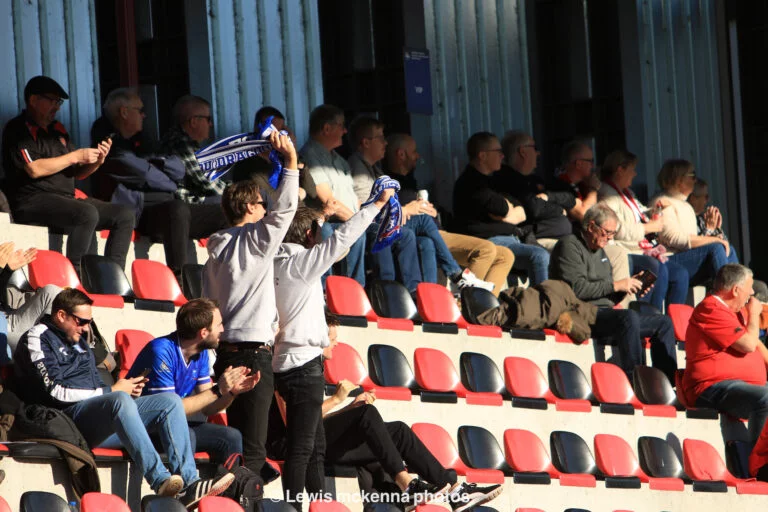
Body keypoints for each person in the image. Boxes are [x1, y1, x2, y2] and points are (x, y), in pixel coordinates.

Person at [13, 288, 234, 506]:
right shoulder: (37, 337)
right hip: (65, 419)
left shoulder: (80, 341)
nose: (87, 327)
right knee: (118, 399)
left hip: (95, 417)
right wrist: (111, 391)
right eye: (82, 321)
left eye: (90, 321)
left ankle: (189, 484)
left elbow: (95, 383)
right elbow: (54, 390)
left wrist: (125, 390)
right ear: (61, 316)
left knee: (170, 402)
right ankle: (159, 479)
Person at [267, 314, 503, 512]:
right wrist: (337, 400)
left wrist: (349, 407)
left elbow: (314, 420)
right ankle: (406, 483)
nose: (336, 344)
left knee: (397, 430)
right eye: (332, 339)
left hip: (315, 437)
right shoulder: (290, 365)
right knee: (367, 415)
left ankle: (453, 489)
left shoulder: (313, 365)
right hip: (292, 444)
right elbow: (295, 421)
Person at [272, 184, 394, 505]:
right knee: (305, 449)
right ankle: (300, 507)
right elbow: (341, 241)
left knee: (311, 446)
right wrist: (376, 206)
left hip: (281, 362)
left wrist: (319, 218)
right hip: (304, 365)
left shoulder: (272, 263)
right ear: (309, 238)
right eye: (315, 234)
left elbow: (311, 236)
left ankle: (316, 505)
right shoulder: (301, 264)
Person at [203, 131, 298, 476]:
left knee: (239, 443)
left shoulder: (214, 248)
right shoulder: (253, 239)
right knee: (255, 448)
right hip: (253, 352)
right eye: (261, 204)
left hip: (224, 353)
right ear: (247, 207)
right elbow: (287, 209)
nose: (266, 210)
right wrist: (289, 164)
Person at [1, 76, 134, 275]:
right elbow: (34, 169)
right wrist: (76, 155)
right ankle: (74, 276)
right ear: (33, 100)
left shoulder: (58, 130)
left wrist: (97, 161)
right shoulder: (18, 129)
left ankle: (113, 276)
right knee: (85, 213)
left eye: (59, 102)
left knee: (124, 215)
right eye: (52, 100)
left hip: (65, 198)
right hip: (31, 200)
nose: (57, 107)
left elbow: (78, 173)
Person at [93, 88, 228, 277]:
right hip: (138, 212)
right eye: (139, 110)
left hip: (166, 206)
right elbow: (143, 174)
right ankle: (179, 278)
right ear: (124, 112)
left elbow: (178, 169)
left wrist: (154, 165)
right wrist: (164, 175)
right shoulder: (107, 140)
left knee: (226, 211)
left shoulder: (144, 138)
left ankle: (226, 278)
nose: (144, 115)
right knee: (177, 209)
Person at [549, 204, 678, 383]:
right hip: (580, 313)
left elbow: (607, 295)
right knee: (628, 317)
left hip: (604, 314)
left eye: (613, 234)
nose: (609, 239)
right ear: (591, 226)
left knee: (663, 323)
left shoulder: (600, 251)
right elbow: (577, 289)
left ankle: (667, 386)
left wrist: (630, 288)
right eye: (606, 232)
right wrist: (617, 285)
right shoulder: (569, 246)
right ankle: (635, 381)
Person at [126, 298, 259, 464]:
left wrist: (230, 392)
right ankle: (187, 488)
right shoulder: (161, 351)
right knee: (187, 435)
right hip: (141, 426)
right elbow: (167, 410)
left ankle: (228, 488)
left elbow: (208, 408)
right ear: (203, 333)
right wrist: (218, 390)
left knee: (231, 437)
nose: (222, 330)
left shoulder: (201, 352)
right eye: (219, 325)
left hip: (172, 425)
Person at [385, 133, 508, 294]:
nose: (418, 156)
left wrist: (432, 211)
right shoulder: (389, 181)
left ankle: (486, 307)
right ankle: (467, 298)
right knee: (487, 249)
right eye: (414, 151)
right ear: (401, 154)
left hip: (436, 231)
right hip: (429, 232)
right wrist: (416, 210)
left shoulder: (410, 180)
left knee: (505, 255)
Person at [682, 264, 768, 446]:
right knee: (765, 398)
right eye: (749, 288)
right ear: (736, 290)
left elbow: (757, 343)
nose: (752, 293)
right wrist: (754, 314)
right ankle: (760, 466)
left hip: (739, 386)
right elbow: (749, 344)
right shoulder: (710, 308)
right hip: (711, 387)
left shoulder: (735, 312)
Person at [452, 131, 550, 285]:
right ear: (483, 156)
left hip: (510, 238)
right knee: (539, 255)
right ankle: (544, 306)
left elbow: (521, 211)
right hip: (490, 242)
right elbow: (502, 209)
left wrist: (508, 209)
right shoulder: (471, 183)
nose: (502, 156)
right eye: (498, 152)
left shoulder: (494, 180)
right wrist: (507, 209)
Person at [597, 149, 689, 310]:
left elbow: (638, 213)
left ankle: (674, 325)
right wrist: (647, 228)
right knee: (656, 269)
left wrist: (653, 211)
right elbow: (615, 229)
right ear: (620, 170)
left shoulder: (627, 193)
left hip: (639, 250)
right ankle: (648, 318)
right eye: (632, 169)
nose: (635, 174)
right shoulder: (607, 194)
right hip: (624, 251)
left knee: (680, 274)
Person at [347, 117, 423, 293]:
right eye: (380, 138)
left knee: (414, 237)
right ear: (366, 143)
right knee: (394, 230)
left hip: (384, 218)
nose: (385, 143)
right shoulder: (357, 167)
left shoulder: (375, 168)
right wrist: (403, 210)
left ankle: (416, 292)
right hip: (371, 221)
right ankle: (388, 291)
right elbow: (369, 205)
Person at [299, 105, 367, 286]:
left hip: (347, 219)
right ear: (326, 129)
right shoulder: (310, 156)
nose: (345, 131)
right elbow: (329, 201)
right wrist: (358, 221)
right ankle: (327, 294)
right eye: (341, 125)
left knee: (398, 233)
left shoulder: (340, 160)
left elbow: (354, 199)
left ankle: (357, 293)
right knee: (336, 232)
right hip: (326, 222)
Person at [652, 159, 737, 285]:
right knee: (717, 247)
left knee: (728, 248)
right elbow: (674, 238)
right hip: (669, 260)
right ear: (679, 180)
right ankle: (728, 295)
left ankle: (740, 289)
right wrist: (714, 240)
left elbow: (694, 243)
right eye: (692, 176)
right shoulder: (662, 202)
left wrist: (713, 235)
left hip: (687, 257)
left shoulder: (686, 206)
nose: (695, 180)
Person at [493, 130, 573, 241]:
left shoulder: (535, 179)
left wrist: (548, 196)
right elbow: (533, 208)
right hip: (527, 238)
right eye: (534, 148)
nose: (538, 153)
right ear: (523, 152)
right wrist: (559, 210)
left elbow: (570, 197)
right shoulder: (506, 179)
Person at [159, 95, 225, 204]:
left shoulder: (180, 140)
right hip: (184, 204)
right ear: (194, 121)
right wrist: (237, 192)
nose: (211, 124)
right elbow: (206, 181)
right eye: (208, 119)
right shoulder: (180, 143)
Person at [0, 242, 60, 356]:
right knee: (31, 344)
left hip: (8, 317)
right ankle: (47, 347)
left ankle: (54, 341)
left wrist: (7, 270)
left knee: (52, 291)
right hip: (2, 329)